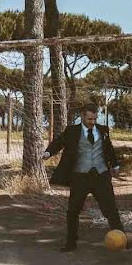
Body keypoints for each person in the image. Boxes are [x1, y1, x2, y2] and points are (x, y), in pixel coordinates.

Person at [43, 103, 126, 252]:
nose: (92, 122)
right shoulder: (72, 131)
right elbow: (58, 142)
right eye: (89, 119)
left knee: (111, 210)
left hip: (101, 176)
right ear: (82, 116)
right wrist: (48, 153)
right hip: (80, 177)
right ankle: (71, 243)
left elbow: (109, 149)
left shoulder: (103, 130)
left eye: (94, 119)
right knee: (73, 210)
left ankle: (122, 240)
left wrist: (115, 165)